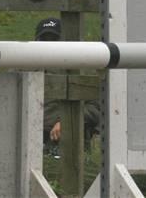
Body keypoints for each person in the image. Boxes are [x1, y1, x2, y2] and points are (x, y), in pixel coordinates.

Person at [35, 17, 101, 158]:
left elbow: (97, 106)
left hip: (69, 139)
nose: (49, 44)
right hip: (30, 136)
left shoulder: (81, 69)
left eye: (54, 39)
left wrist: (66, 122)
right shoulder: (23, 67)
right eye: (44, 39)